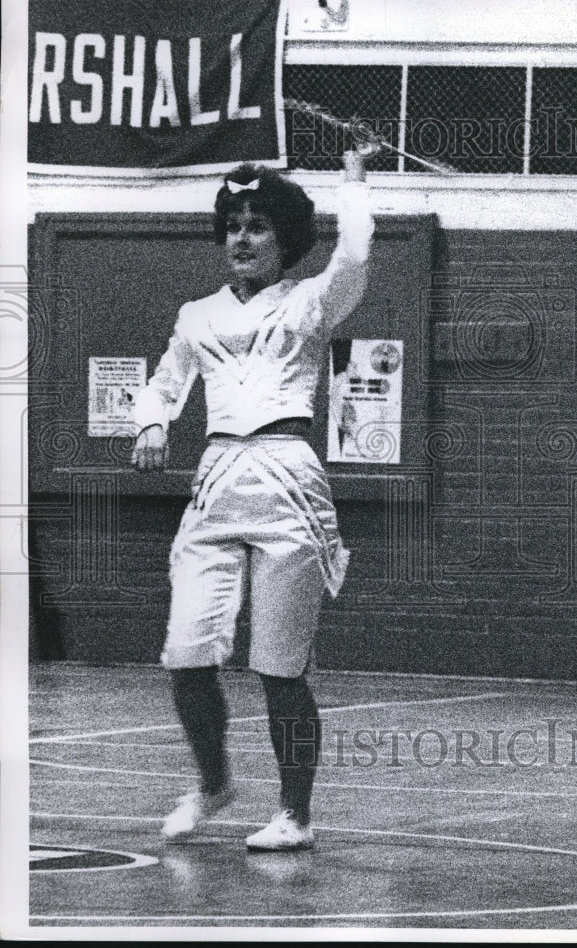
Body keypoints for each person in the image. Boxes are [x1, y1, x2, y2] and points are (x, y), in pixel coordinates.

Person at [131, 149, 374, 851]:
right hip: (215, 482)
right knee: (184, 653)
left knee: (279, 665)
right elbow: (164, 384)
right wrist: (152, 421)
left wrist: (354, 179)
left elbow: (354, 252)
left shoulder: (310, 300)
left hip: (288, 481)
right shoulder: (195, 314)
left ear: (285, 238)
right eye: (233, 225)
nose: (242, 238)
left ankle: (294, 813)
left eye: (259, 226)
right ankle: (214, 783)